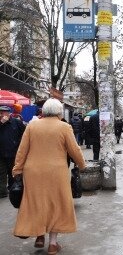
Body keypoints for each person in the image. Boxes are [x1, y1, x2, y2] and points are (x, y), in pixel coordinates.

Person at [12, 98, 86, 254]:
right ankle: (53, 244)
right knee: (56, 205)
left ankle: (40, 236)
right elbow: (75, 149)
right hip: (56, 173)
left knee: (38, 202)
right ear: (59, 112)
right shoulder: (64, 127)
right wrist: (82, 165)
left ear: (43, 111)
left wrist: (17, 169)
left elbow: (22, 151)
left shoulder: (32, 126)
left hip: (33, 173)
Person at [0, 106, 25, 198]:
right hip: (1, 154)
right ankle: (2, 191)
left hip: (13, 153)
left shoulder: (16, 122)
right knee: (1, 173)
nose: (1, 115)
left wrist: (19, 144)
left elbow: (25, 134)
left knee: (12, 173)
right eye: (0, 113)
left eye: (3, 113)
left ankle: (13, 190)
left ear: (8, 113)